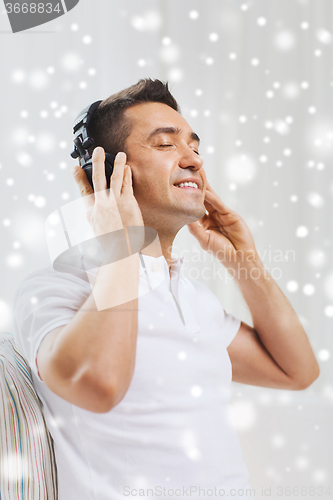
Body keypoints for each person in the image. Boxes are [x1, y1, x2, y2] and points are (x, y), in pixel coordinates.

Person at [13, 79, 320, 500]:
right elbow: (97, 386)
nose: (192, 160)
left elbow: (297, 372)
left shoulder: (192, 298)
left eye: (194, 147)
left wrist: (243, 262)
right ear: (104, 174)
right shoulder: (54, 288)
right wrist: (121, 245)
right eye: (165, 145)